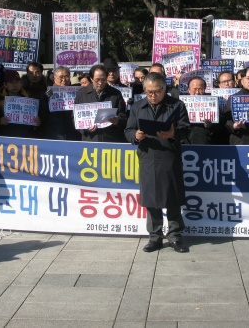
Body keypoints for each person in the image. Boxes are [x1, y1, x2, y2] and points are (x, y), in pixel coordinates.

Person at [124, 72, 190, 253]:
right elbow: (128, 130)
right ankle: (155, 237)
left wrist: (173, 134)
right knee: (151, 199)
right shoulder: (138, 107)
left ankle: (175, 236)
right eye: (149, 92)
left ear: (164, 89)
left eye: (156, 92)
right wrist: (135, 136)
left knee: (173, 198)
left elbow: (186, 130)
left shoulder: (176, 105)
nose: (152, 95)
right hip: (148, 157)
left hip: (170, 156)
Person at [74, 65, 127, 142]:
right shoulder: (82, 93)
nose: (100, 83)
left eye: (103, 79)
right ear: (91, 79)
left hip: (109, 139)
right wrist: (85, 128)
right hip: (89, 139)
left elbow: (123, 116)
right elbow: (74, 117)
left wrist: (117, 121)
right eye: (97, 80)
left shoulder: (116, 94)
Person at [0, 70, 41, 138]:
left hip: (25, 139)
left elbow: (38, 121)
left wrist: (38, 122)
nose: (15, 85)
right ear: (5, 84)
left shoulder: (29, 100)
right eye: (11, 82)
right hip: (5, 139)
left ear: (20, 83)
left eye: (17, 82)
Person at [38, 66, 81, 141]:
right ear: (54, 79)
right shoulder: (47, 95)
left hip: (73, 134)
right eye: (61, 77)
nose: (64, 79)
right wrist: (45, 98)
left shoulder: (77, 92)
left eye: (66, 76)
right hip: (54, 135)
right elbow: (42, 115)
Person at [181, 77, 217, 144]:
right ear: (189, 90)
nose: (197, 92)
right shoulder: (181, 104)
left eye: (200, 89)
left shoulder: (212, 103)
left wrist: (211, 126)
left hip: (205, 142)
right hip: (186, 142)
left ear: (204, 89)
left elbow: (220, 127)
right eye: (194, 89)